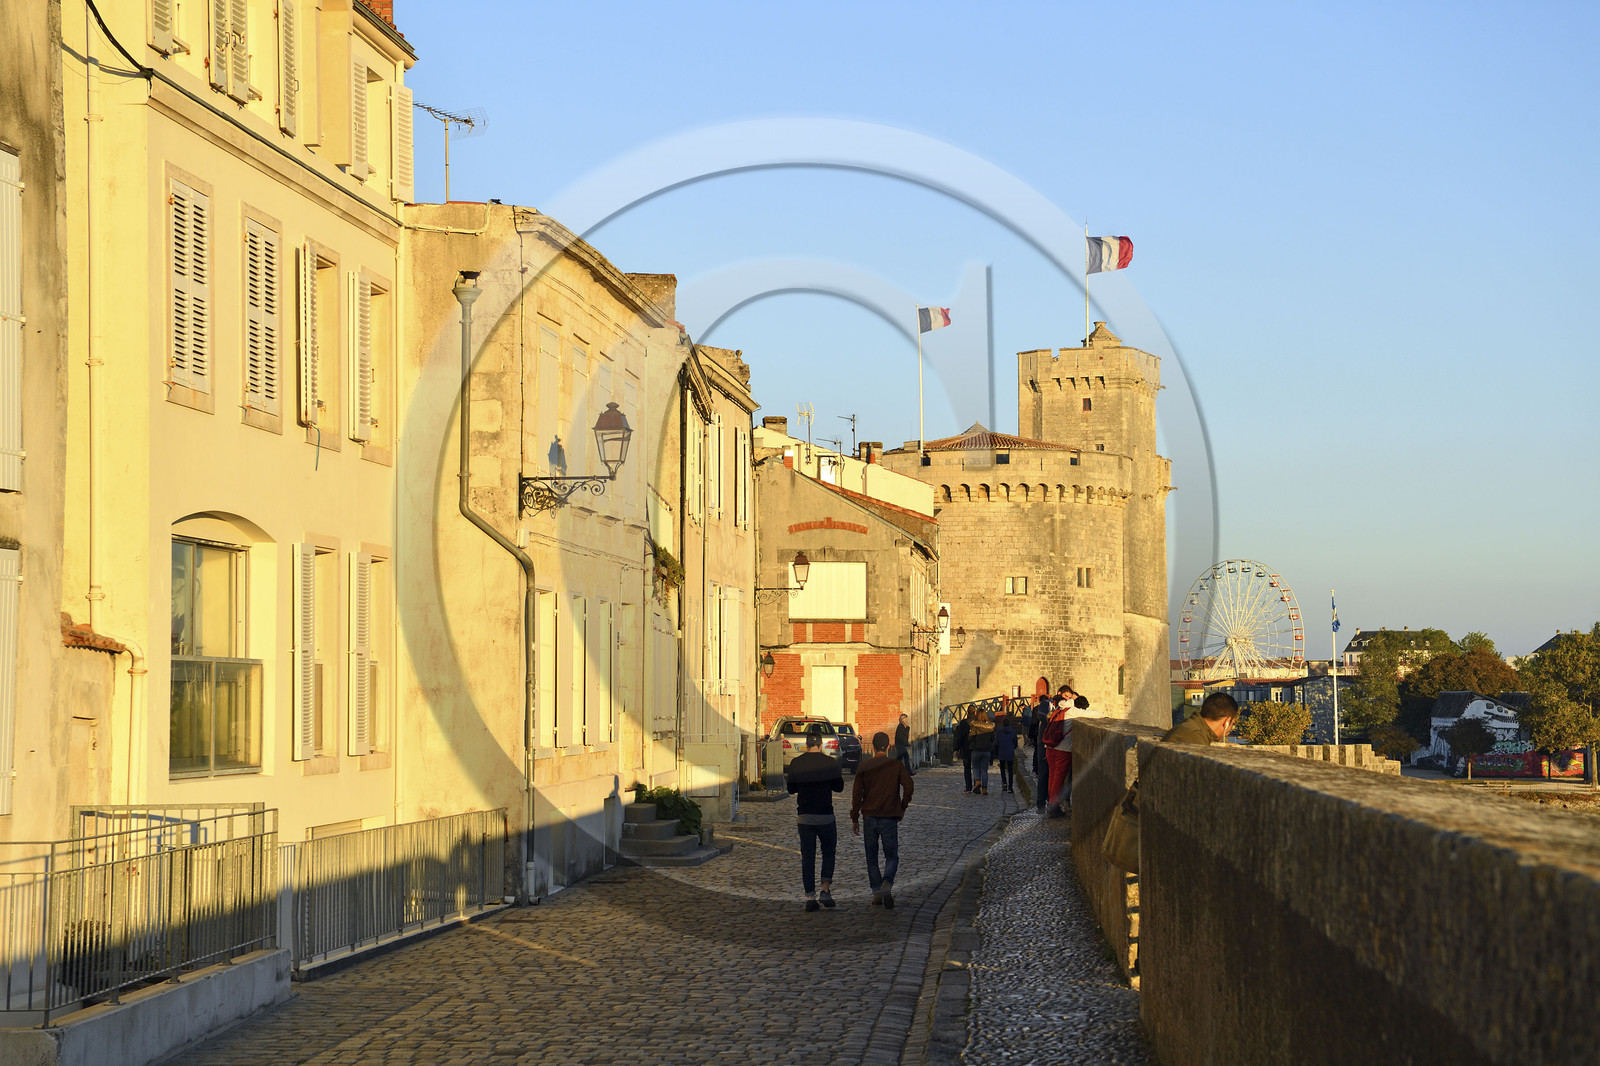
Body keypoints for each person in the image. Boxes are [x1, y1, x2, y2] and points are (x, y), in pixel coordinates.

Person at [851, 731, 915, 909]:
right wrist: (902, 806)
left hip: (869, 816)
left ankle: (877, 892)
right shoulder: (895, 766)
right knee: (892, 855)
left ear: (872, 746)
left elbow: (857, 794)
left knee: (871, 857)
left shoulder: (864, 766)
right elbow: (909, 786)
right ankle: (887, 881)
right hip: (889, 816)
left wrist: (854, 817)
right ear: (888, 746)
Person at [786, 725, 845, 911]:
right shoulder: (830, 762)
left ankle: (810, 897)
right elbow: (839, 787)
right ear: (820, 745)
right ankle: (825, 889)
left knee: (808, 857)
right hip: (826, 815)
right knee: (828, 853)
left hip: (805, 816)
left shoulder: (796, 763)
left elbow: (791, 789)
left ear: (806, 745)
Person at [1040, 688, 1077, 817]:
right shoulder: (1072, 711)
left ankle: (1050, 802)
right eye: (1069, 697)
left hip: (1050, 747)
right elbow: (1095, 715)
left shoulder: (1057, 710)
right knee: (1059, 778)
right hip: (1063, 749)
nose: (1070, 699)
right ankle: (1053, 805)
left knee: (1052, 776)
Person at [1162, 691, 1239, 745]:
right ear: (1227, 722)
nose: (1230, 729)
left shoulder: (1191, 726)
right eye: (1233, 724)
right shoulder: (1195, 738)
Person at [1028, 691, 1052, 810]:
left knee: (1043, 772)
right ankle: (1047, 801)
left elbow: (1033, 723)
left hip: (1040, 740)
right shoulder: (1043, 710)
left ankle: (1042, 802)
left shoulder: (1037, 709)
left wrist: (1031, 735)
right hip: (1043, 741)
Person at [968, 708, 996, 795]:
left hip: (976, 749)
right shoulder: (990, 727)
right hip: (986, 750)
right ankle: (984, 788)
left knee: (976, 767)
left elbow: (971, 737)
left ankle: (977, 782)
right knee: (984, 769)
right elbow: (993, 738)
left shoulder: (974, 726)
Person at [995, 709, 1018, 793]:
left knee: (1002, 769)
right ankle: (1010, 786)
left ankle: (1004, 783)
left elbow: (996, 743)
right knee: (1010, 769)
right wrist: (1013, 748)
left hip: (1001, 751)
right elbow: (1015, 742)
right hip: (1010, 751)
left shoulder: (999, 732)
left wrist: (996, 752)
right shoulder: (1013, 731)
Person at [953, 708, 973, 793]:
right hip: (975, 748)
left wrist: (956, 749)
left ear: (967, 712)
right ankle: (977, 785)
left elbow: (959, 737)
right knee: (976, 768)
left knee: (967, 768)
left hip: (965, 748)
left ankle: (968, 787)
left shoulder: (963, 723)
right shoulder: (978, 722)